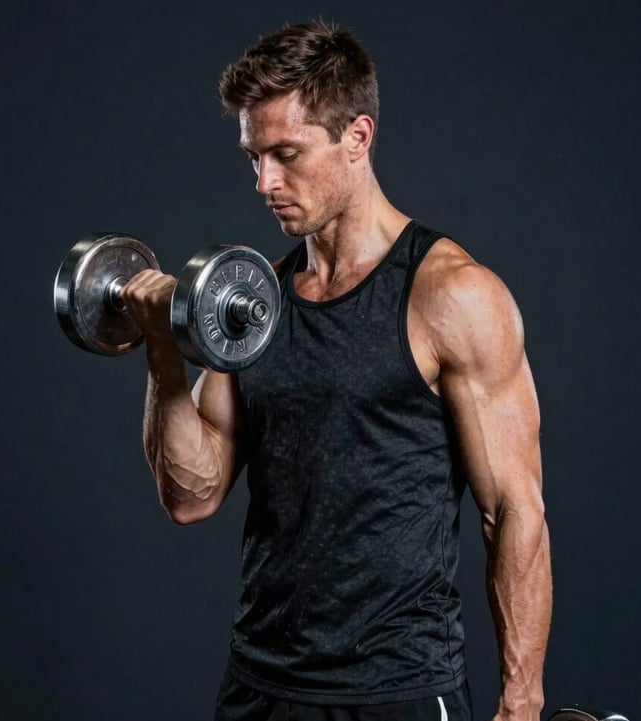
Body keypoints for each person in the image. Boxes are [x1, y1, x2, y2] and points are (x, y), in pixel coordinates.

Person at [120, 20, 551, 721]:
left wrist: (522, 702)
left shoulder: (450, 293)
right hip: (260, 687)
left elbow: (515, 510)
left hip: (399, 691)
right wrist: (164, 351)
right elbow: (190, 494)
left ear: (357, 137)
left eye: (286, 154)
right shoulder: (253, 303)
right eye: (253, 157)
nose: (264, 181)